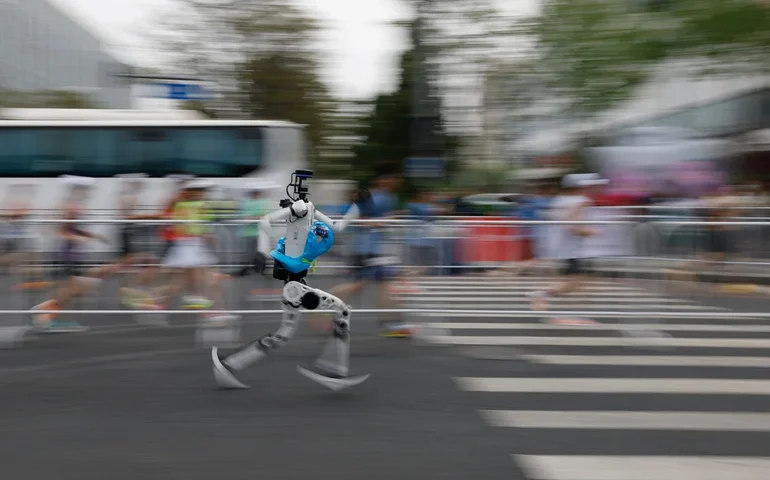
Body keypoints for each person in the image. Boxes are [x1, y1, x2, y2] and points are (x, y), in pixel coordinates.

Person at [211, 169, 371, 392]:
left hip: (296, 285)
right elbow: (265, 222)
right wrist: (261, 252)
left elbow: (337, 227)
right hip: (293, 285)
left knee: (283, 334)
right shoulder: (300, 208)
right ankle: (337, 371)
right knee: (342, 311)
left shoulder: (310, 209)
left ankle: (230, 364)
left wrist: (357, 207)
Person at [31, 176, 111, 332]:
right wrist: (77, 238)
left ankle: (45, 314)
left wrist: (92, 236)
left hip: (73, 256)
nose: (88, 193)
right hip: (66, 256)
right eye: (86, 189)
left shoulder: (74, 206)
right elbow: (54, 231)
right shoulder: (67, 207)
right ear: (76, 189)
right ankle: (43, 312)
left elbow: (71, 229)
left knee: (75, 289)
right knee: (76, 289)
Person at [530, 173, 607, 316]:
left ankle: (544, 296)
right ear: (582, 186)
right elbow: (573, 226)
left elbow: (557, 219)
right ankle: (541, 295)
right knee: (572, 283)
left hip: (563, 248)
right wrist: (592, 231)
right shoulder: (582, 201)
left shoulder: (560, 200)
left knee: (577, 282)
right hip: (572, 250)